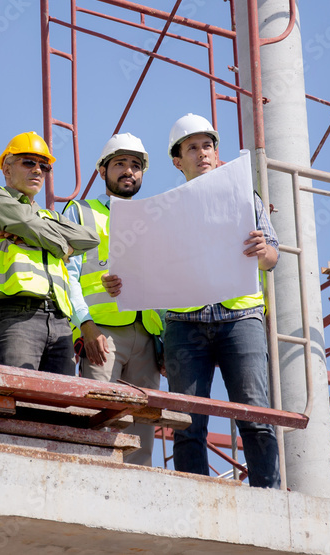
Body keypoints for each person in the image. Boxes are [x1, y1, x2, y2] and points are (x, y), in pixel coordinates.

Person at [104, 114, 281, 488]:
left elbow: (272, 256)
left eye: (208, 145)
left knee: (255, 414)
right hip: (185, 326)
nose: (202, 153)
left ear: (217, 154)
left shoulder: (246, 198)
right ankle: (194, 495)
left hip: (241, 318)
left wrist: (264, 250)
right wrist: (123, 283)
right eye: (192, 147)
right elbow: (147, 268)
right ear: (177, 160)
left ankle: (267, 495)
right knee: (187, 421)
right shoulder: (162, 211)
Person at [64, 133, 163, 466]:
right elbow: (67, 274)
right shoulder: (81, 212)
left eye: (136, 166)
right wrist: (85, 327)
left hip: (146, 334)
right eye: (120, 163)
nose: (128, 171)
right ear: (103, 170)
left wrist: (163, 340)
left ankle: (138, 505)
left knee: (143, 431)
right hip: (101, 334)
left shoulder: (153, 220)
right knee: (98, 421)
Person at [0, 132, 98, 374]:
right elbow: (27, 223)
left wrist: (30, 232)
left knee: (57, 408)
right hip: (14, 314)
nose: (38, 170)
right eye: (29, 162)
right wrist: (62, 245)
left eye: (44, 166)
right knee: (16, 398)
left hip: (60, 322)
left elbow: (90, 238)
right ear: (6, 168)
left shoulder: (49, 216)